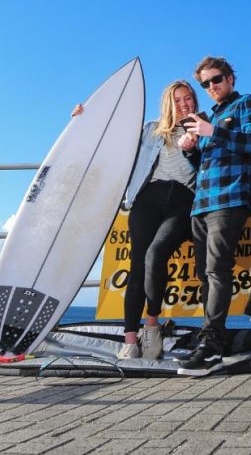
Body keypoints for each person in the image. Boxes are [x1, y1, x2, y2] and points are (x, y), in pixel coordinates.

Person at [72, 80, 200, 360]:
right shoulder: (150, 129)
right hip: (147, 198)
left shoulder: (204, 128)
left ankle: (152, 326)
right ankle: (130, 339)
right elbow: (114, 138)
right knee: (138, 266)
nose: (184, 104)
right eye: (177, 100)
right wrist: (87, 118)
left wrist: (195, 144)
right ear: (168, 103)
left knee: (157, 255)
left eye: (188, 98)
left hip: (183, 200)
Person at [175, 56, 251, 375]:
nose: (211, 87)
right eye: (205, 84)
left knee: (217, 270)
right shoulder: (210, 116)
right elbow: (203, 164)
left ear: (230, 77)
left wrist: (211, 131)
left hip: (230, 198)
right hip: (201, 202)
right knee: (205, 273)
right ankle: (211, 339)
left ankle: (212, 345)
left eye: (216, 80)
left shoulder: (248, 104)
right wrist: (190, 148)